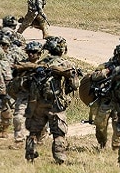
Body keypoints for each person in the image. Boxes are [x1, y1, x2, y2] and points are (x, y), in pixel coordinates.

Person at [19, 36, 80, 164]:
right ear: (62, 49)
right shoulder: (65, 64)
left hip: (38, 104)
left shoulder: (39, 63)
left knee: (34, 131)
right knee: (58, 133)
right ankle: (59, 158)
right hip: (55, 104)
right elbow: (75, 85)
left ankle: (30, 153)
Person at [87, 44, 120, 150]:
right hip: (106, 101)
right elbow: (93, 77)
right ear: (116, 55)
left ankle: (116, 147)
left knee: (119, 127)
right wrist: (106, 72)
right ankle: (102, 144)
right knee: (100, 125)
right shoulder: (107, 66)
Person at [10, 41, 43, 143]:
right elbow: (13, 75)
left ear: (39, 54)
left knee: (41, 120)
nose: (31, 54)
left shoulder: (44, 65)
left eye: (34, 52)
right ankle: (19, 140)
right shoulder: (21, 64)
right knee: (18, 118)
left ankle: (40, 139)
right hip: (24, 95)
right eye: (29, 52)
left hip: (39, 97)